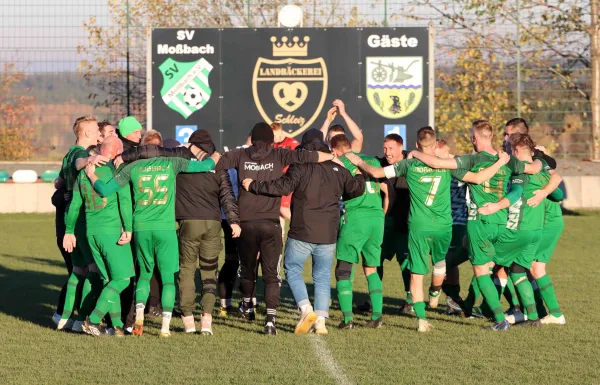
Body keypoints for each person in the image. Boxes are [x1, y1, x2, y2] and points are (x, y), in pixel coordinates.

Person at [347, 127, 509, 331]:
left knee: (417, 273)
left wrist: (359, 162)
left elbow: (378, 172)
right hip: (444, 226)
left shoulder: (408, 164)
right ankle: (435, 292)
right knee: (442, 262)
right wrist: (500, 163)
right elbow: (477, 178)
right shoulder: (449, 166)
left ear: (416, 146)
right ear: (435, 145)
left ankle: (422, 320)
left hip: (419, 226)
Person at [408, 120, 542, 330]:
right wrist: (542, 158)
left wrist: (415, 154)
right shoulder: (506, 159)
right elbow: (535, 167)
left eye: (472, 135)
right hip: (502, 222)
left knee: (480, 271)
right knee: (501, 268)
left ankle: (499, 320)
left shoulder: (471, 160)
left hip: (479, 221)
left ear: (475, 138)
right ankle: (522, 311)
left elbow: (435, 164)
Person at [85, 140, 220, 338]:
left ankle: (139, 316)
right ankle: (165, 327)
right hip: (165, 228)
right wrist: (216, 155)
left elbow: (104, 190)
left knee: (144, 276)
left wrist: (90, 174)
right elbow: (206, 166)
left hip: (141, 228)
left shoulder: (132, 168)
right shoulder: (172, 163)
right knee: (168, 280)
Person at [215, 122, 335, 335]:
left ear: (252, 139)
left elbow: (218, 162)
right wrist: (328, 157)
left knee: (248, 269)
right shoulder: (279, 155)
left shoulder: (239, 155)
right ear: (271, 140)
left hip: (247, 224)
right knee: (272, 274)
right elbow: (305, 157)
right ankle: (270, 321)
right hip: (272, 223)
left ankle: (247, 304)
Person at [242, 129, 366, 335]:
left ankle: (306, 309)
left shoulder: (300, 166)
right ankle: (321, 323)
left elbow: (282, 187)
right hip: (328, 233)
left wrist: (254, 184)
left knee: (292, 268)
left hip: (302, 229)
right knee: (323, 276)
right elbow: (356, 189)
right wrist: (359, 175)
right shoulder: (338, 168)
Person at [477, 133, 564, 327]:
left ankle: (490, 312)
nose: (506, 150)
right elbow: (558, 194)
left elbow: (516, 192)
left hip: (518, 229)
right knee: (517, 270)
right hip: (536, 231)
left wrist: (497, 206)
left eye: (508, 147)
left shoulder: (519, 172)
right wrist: (544, 192)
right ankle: (531, 316)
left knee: (486, 261)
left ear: (516, 150)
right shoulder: (541, 170)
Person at [63, 136, 134, 337]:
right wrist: (128, 228)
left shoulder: (84, 173)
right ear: (118, 150)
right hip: (110, 230)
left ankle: (117, 325)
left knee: (108, 278)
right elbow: (125, 202)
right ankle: (93, 320)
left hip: (90, 232)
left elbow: (75, 205)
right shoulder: (116, 170)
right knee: (123, 279)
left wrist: (69, 231)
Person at [55, 116, 109, 332]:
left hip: (72, 220)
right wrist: (88, 161)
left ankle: (64, 318)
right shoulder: (80, 154)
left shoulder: (68, 152)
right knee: (93, 270)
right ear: (86, 133)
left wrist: (63, 185)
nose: (99, 134)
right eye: (97, 130)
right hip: (84, 220)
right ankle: (82, 319)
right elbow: (79, 162)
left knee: (78, 270)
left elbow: (59, 180)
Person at [329, 134, 386, 330]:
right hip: (377, 218)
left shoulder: (339, 161)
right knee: (371, 268)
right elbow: (387, 188)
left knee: (343, 268)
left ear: (335, 150)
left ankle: (347, 319)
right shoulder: (371, 160)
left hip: (356, 217)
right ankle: (377, 316)